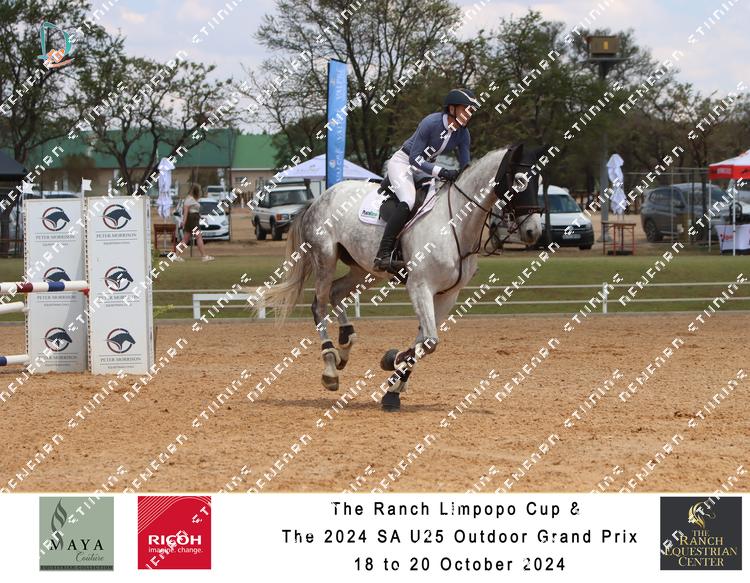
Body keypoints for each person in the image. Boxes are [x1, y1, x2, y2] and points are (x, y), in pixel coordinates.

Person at [373, 88, 480, 273]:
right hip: (404, 163)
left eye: (471, 111)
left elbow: (466, 167)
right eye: (466, 109)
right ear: (452, 109)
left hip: (425, 169)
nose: (469, 114)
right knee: (408, 200)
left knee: (437, 204)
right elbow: (415, 158)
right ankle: (383, 254)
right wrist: (442, 172)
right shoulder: (431, 123)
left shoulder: (463, 134)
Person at [175, 183, 214, 262]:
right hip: (192, 219)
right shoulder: (189, 199)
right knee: (198, 236)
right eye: (199, 190)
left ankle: (176, 255)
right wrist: (183, 222)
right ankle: (204, 256)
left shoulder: (192, 199)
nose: (200, 192)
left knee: (186, 239)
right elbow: (186, 211)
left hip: (193, 219)